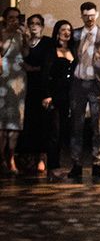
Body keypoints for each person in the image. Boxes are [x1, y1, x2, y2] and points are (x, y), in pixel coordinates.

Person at [68, 1, 100, 180]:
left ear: (97, 15)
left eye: (92, 15)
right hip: (78, 84)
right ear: (81, 16)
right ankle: (76, 163)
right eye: (85, 16)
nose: (89, 19)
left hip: (97, 85)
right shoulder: (75, 34)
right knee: (76, 125)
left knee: (99, 126)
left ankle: (97, 163)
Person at [20, 14, 55, 175]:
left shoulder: (48, 42)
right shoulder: (25, 42)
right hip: (25, 86)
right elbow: (20, 59)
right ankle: (29, 157)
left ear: (42, 26)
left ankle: (42, 157)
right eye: (31, 23)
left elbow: (48, 66)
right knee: (28, 121)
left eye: (37, 23)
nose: (34, 26)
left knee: (43, 122)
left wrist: (32, 69)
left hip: (42, 86)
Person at [42, 20, 75, 179]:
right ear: (57, 32)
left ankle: (58, 165)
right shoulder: (51, 50)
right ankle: (52, 167)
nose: (66, 32)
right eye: (63, 29)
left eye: (69, 29)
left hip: (69, 96)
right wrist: (47, 95)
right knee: (53, 132)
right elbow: (45, 74)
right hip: (54, 94)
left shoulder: (73, 49)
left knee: (62, 132)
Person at [0, 6, 27, 175]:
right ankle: (2, 159)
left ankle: (11, 158)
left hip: (18, 80)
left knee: (15, 122)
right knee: (2, 122)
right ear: (4, 19)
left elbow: (25, 54)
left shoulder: (21, 35)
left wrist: (25, 38)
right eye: (11, 18)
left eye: (17, 18)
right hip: (3, 78)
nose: (14, 21)